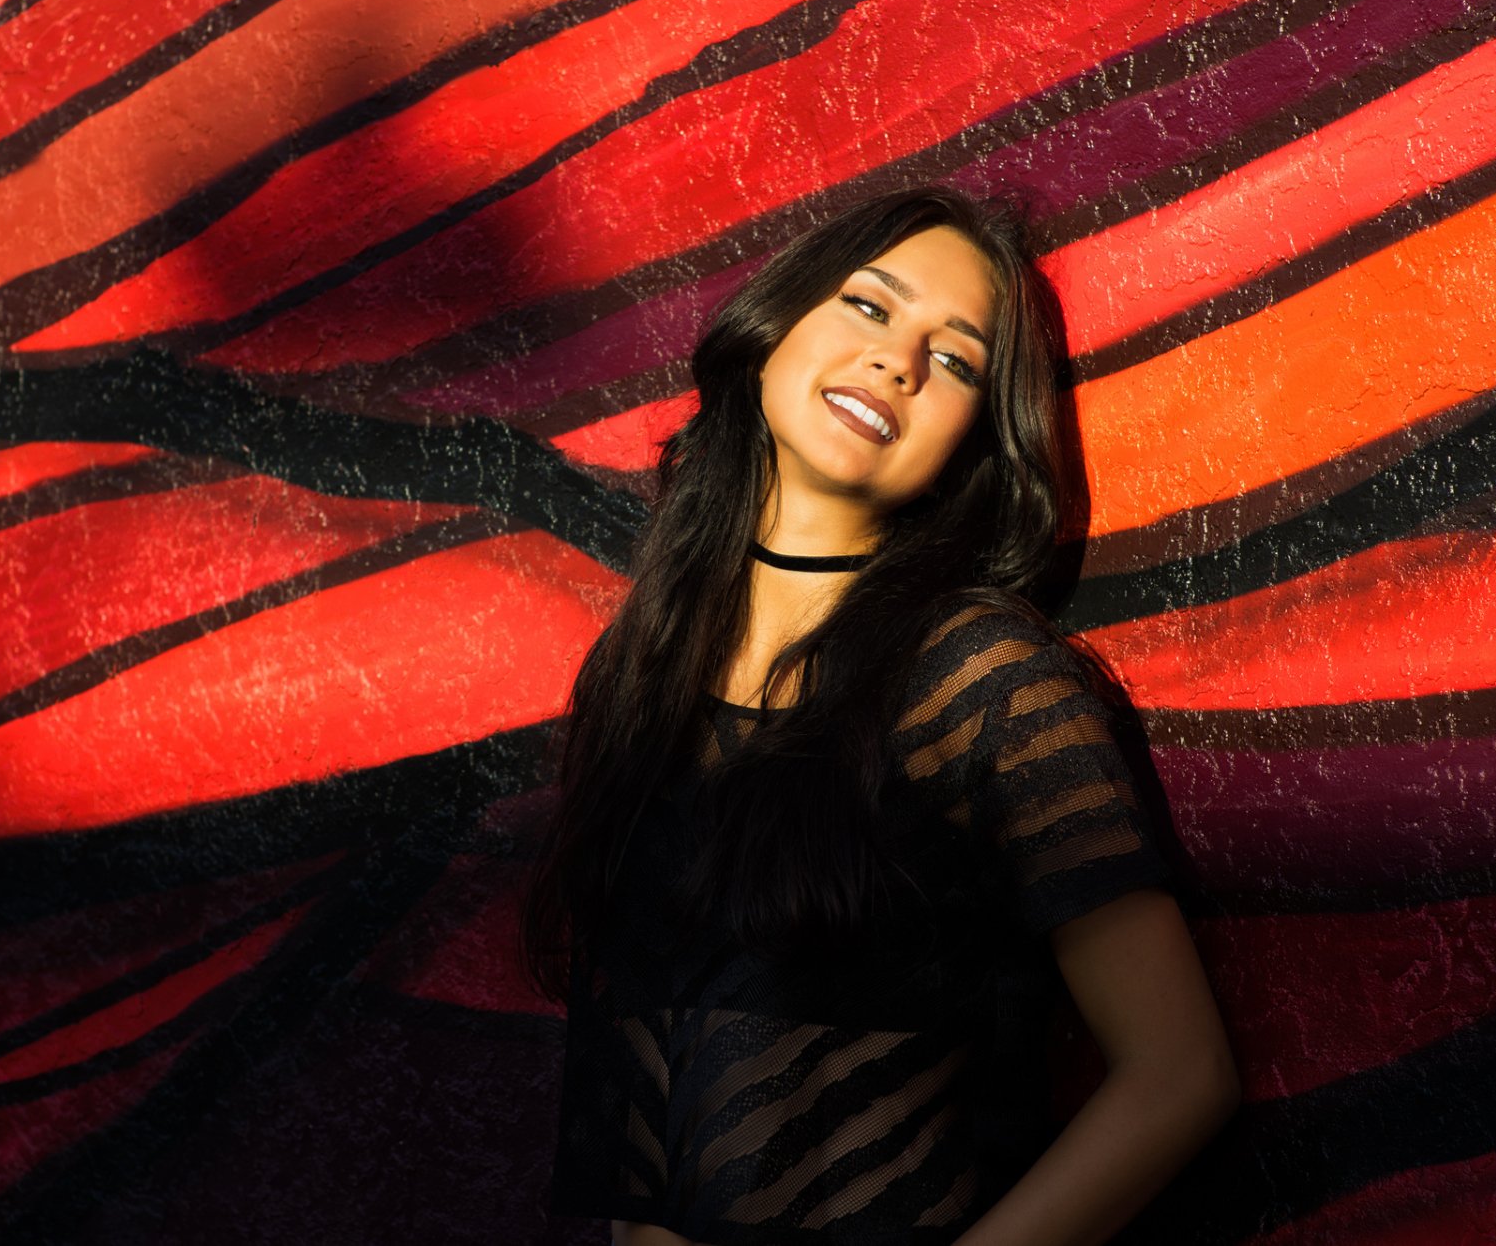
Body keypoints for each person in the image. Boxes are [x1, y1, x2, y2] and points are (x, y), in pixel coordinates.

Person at [517, 183, 1240, 1246]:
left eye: (955, 360)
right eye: (869, 305)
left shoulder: (982, 680)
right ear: (773, 326)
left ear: (970, 442)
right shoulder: (639, 672)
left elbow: (1180, 1072)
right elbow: (646, 1128)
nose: (899, 360)